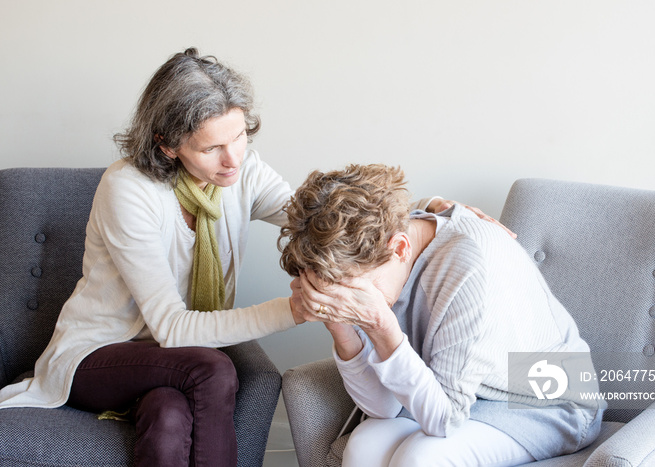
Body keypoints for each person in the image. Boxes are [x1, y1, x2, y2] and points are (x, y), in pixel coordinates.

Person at [0, 48, 497, 466]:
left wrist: (427, 211)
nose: (233, 159)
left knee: (171, 416)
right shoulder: (128, 190)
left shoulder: (241, 172)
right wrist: (295, 310)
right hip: (97, 357)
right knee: (213, 371)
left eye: (240, 137)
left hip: (170, 367)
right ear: (168, 146)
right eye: (212, 147)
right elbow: (172, 330)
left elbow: (323, 220)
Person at [279, 164, 606, 467]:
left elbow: (445, 419)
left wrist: (380, 323)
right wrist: (341, 328)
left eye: (354, 290)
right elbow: (384, 409)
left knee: (421, 458)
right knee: (363, 445)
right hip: (466, 392)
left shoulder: (468, 266)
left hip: (546, 402)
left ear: (400, 248)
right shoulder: (365, 257)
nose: (347, 300)